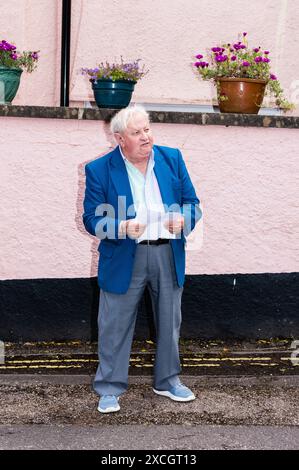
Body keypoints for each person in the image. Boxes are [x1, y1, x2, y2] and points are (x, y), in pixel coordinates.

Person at [83, 105, 202, 413]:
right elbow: (91, 218)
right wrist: (120, 227)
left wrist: (185, 219)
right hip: (124, 253)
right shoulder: (99, 169)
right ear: (120, 138)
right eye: (137, 133)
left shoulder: (172, 158)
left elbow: (193, 203)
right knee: (114, 325)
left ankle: (168, 381)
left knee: (169, 322)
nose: (146, 137)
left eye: (147, 129)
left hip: (166, 251)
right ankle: (109, 388)